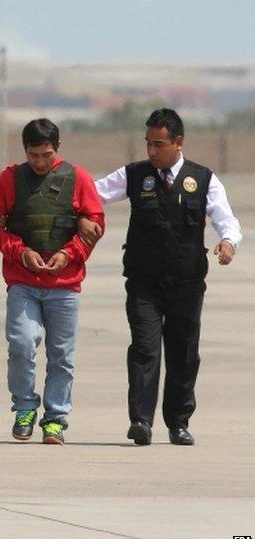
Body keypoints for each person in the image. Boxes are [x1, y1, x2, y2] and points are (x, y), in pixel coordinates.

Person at [77, 108, 242, 446]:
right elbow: (92, 194)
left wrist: (227, 242)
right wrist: (80, 215)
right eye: (148, 144)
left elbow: (226, 218)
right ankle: (141, 421)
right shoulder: (135, 175)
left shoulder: (204, 179)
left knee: (183, 352)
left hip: (186, 282)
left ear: (178, 143)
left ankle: (178, 422)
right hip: (144, 281)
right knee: (144, 348)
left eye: (159, 144)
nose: (151, 152)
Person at [0, 118, 104, 445]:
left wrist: (69, 253)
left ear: (58, 149)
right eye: (33, 155)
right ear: (25, 151)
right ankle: (24, 408)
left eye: (46, 155)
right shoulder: (8, 180)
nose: (39, 162)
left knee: (61, 354)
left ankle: (55, 419)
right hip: (23, 282)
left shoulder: (78, 179)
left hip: (64, 286)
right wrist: (20, 252)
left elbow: (95, 225)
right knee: (22, 342)